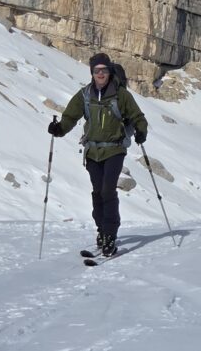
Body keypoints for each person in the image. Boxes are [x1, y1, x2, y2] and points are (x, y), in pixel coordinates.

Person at [48, 53, 148, 257]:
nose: (100, 74)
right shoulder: (85, 94)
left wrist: (141, 131)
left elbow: (138, 116)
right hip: (92, 152)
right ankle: (101, 231)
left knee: (107, 191)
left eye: (104, 70)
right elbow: (70, 116)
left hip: (114, 150)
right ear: (92, 73)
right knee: (97, 192)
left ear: (109, 71)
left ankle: (110, 234)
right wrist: (59, 129)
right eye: (96, 70)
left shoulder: (121, 95)